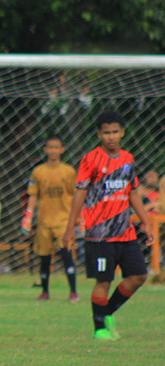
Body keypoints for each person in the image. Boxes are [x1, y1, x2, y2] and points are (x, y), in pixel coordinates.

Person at [62, 110, 155, 341]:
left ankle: (107, 312)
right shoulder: (90, 159)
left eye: (115, 132)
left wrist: (145, 222)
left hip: (125, 232)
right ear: (99, 134)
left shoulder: (127, 159)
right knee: (104, 280)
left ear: (122, 132)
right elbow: (80, 193)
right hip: (99, 234)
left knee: (138, 276)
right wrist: (70, 227)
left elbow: (133, 192)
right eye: (106, 133)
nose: (111, 137)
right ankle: (99, 329)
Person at [20, 135, 80, 302]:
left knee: (67, 254)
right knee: (44, 257)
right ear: (45, 150)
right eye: (50, 147)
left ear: (62, 150)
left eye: (56, 147)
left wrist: (80, 216)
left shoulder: (68, 171)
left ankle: (73, 292)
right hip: (44, 221)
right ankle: (45, 292)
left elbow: (76, 195)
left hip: (63, 221)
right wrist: (28, 216)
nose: (53, 151)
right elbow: (33, 195)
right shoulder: (38, 171)